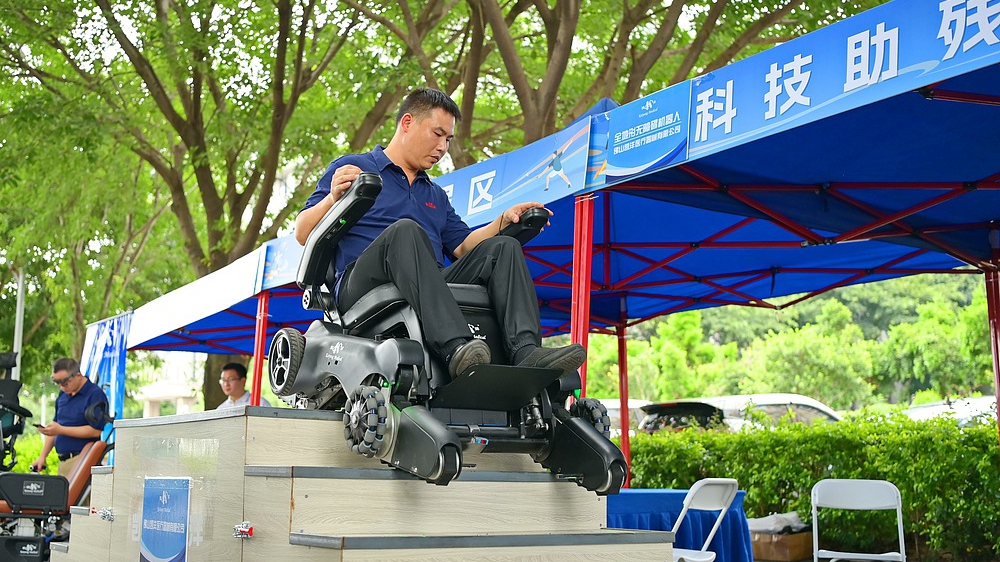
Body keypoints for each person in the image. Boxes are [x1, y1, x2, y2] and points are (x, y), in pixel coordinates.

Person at [296, 87, 586, 379]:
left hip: (426, 281)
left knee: (503, 248)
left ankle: (525, 351)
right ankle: (455, 347)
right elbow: (302, 232)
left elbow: (462, 247)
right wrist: (334, 199)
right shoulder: (356, 167)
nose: (443, 147)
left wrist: (502, 222)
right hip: (361, 285)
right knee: (405, 232)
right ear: (407, 123)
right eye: (437, 134)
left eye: (448, 139)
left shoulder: (434, 193)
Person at [30, 358, 108, 477]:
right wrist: (42, 456)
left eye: (65, 382)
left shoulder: (94, 394)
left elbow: (95, 430)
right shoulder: (63, 395)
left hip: (83, 459)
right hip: (63, 460)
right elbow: (56, 427)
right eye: (57, 382)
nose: (62, 386)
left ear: (78, 375)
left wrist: (61, 430)